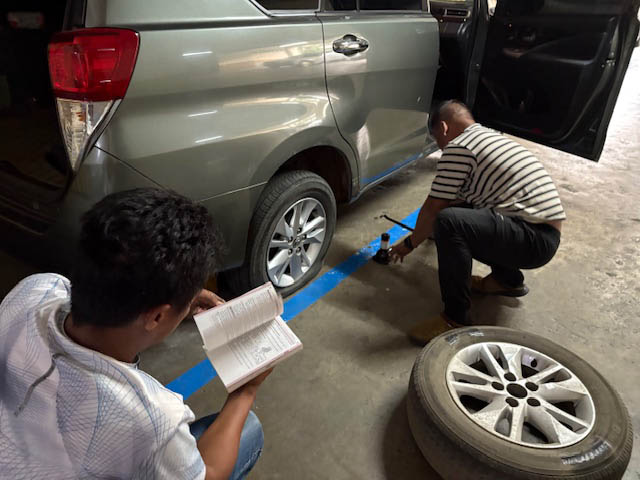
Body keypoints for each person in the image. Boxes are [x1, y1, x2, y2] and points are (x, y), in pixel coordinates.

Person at [0, 188, 269, 480]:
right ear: (157, 316)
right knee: (249, 430)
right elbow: (210, 475)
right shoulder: (152, 420)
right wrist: (245, 391)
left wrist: (179, 298)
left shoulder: (35, 289)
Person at [391, 100, 565, 344]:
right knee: (458, 216)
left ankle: (454, 318)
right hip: (542, 234)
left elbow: (434, 207)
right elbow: (458, 202)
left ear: (444, 128)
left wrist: (409, 244)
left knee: (449, 223)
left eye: (437, 140)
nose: (440, 147)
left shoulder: (459, 146)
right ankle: (506, 280)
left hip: (532, 239)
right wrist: (430, 232)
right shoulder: (488, 138)